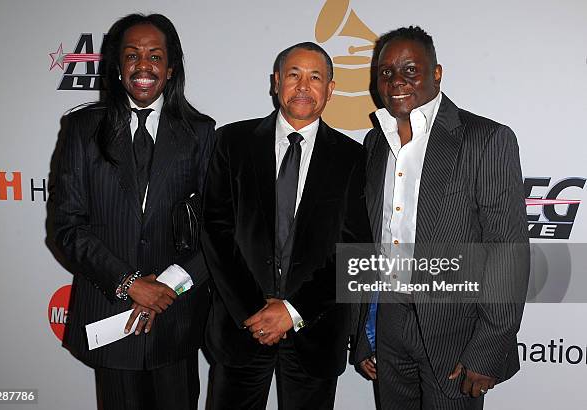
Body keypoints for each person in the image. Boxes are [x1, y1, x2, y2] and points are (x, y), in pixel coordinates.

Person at [353, 26, 530, 409]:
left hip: (457, 331)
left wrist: (488, 348)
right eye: (385, 72)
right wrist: (364, 328)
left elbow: (507, 250)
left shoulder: (485, 139)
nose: (396, 81)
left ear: (437, 73)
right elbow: (371, 241)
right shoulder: (373, 143)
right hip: (388, 322)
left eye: (410, 70)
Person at [52, 13, 214, 410]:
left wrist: (166, 286)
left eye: (155, 56)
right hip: (112, 316)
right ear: (117, 66)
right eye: (132, 55)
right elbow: (66, 227)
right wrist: (129, 283)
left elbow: (217, 229)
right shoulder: (81, 129)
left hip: (174, 321)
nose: (144, 65)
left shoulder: (200, 132)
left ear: (170, 68)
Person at [201, 42, 372, 410]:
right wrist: (254, 311)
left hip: (316, 329)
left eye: (315, 77)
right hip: (241, 326)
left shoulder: (354, 158)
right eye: (294, 75)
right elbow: (216, 230)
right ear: (276, 82)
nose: (303, 86)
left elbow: (355, 249)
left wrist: (292, 311)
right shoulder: (232, 142)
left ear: (331, 88)